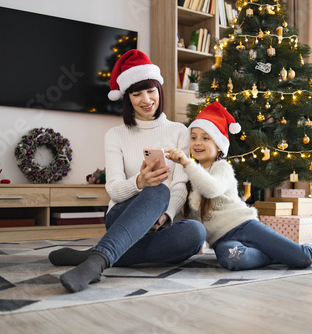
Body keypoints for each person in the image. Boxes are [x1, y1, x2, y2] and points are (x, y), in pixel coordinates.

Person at [49, 49, 206, 293]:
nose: (146, 99)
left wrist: (164, 217)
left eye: (151, 90)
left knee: (195, 233)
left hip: (159, 225)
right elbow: (113, 189)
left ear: (159, 90)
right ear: (127, 97)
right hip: (121, 216)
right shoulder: (115, 135)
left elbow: (180, 186)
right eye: (137, 93)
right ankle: (97, 264)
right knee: (157, 190)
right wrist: (139, 183)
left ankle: (94, 254)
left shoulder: (179, 132)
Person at [166, 102, 312, 271]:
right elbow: (192, 218)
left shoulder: (221, 167)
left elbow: (211, 189)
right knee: (234, 260)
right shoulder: (190, 175)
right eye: (193, 137)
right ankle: (272, 256)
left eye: (205, 138)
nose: (197, 143)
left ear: (219, 144)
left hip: (245, 226)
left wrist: (186, 163)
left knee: (303, 259)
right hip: (223, 240)